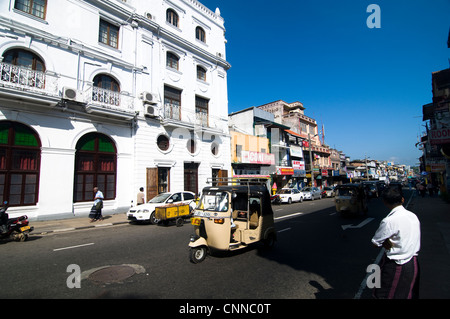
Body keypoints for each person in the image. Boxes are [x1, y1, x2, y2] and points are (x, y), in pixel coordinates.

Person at [371, 187, 421, 299]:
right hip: (413, 263)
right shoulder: (413, 216)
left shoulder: (389, 221)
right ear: (402, 200)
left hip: (396, 264)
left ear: (384, 202)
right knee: (409, 293)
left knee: (385, 294)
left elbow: (375, 242)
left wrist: (387, 242)